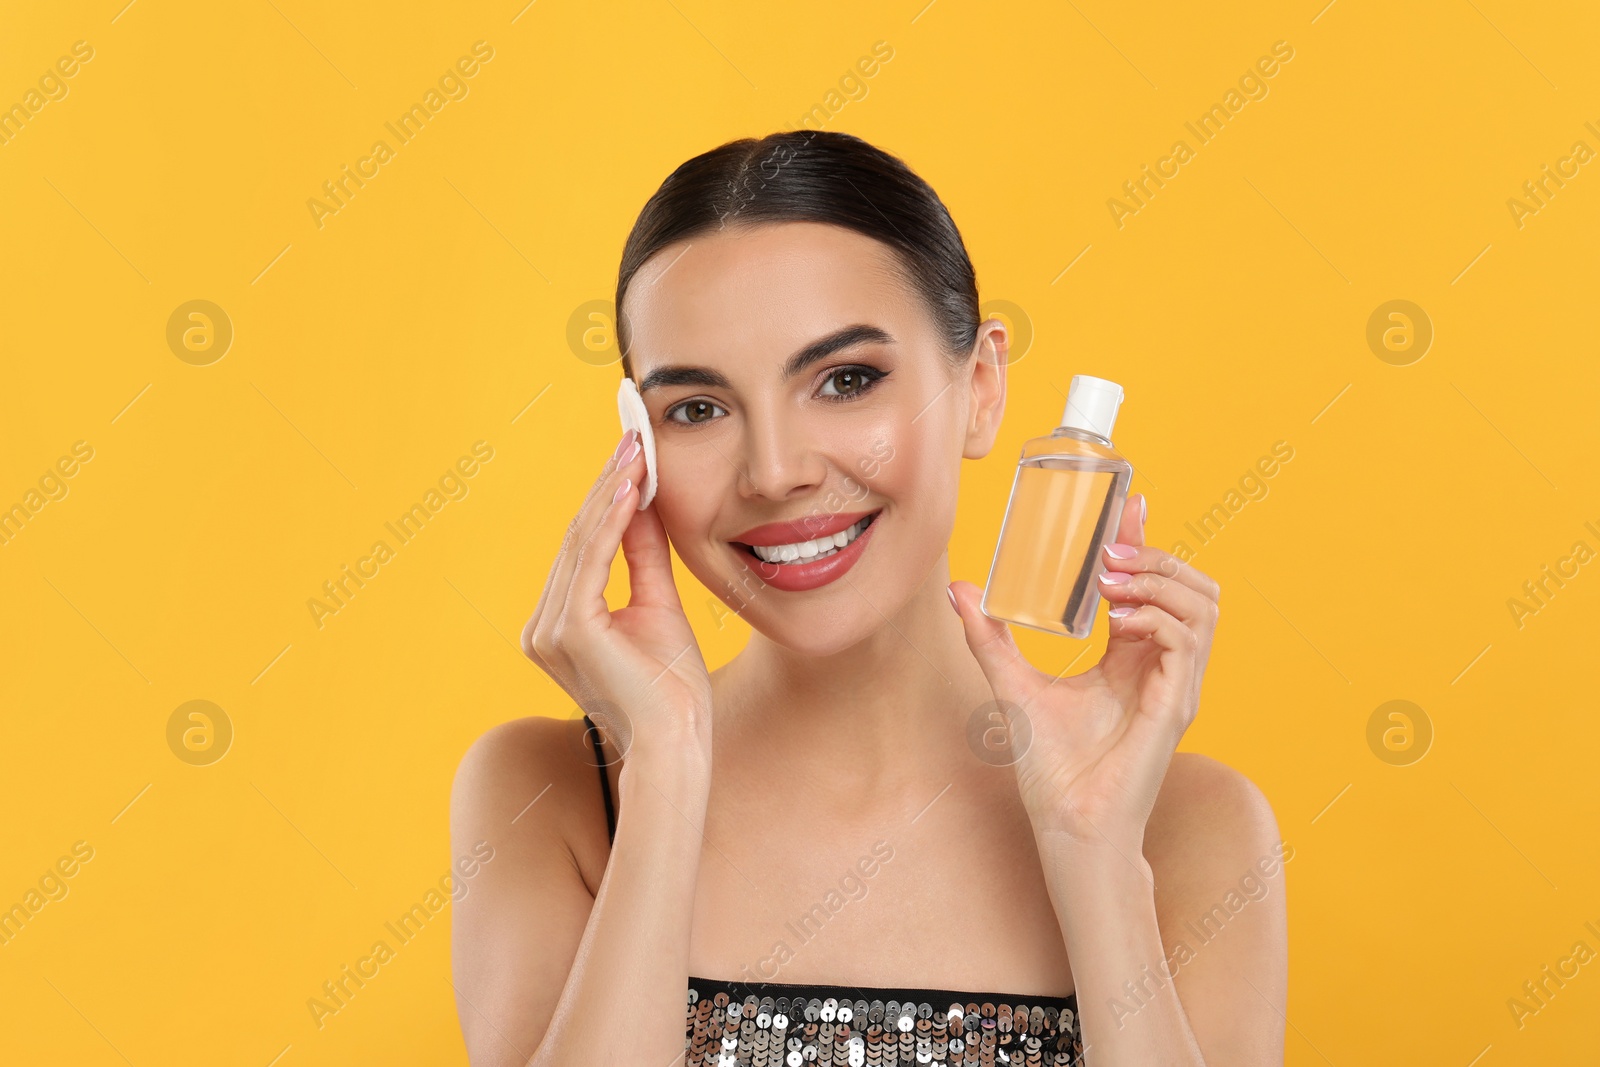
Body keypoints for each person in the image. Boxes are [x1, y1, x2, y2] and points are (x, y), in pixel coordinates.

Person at [450, 129, 1287, 1066]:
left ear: (979, 386)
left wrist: (1094, 853)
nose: (774, 473)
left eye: (846, 380)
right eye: (696, 408)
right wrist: (667, 773)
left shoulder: (1190, 827)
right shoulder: (552, 795)